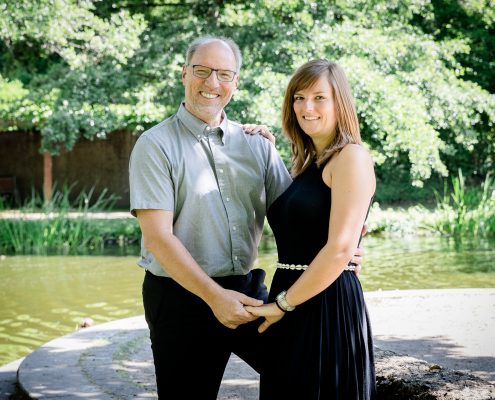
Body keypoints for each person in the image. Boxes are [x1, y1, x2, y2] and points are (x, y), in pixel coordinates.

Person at [129, 35, 364, 399]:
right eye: (202, 71)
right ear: (184, 74)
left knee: (295, 379)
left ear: (235, 82)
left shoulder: (257, 145)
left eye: (224, 74)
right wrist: (213, 296)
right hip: (180, 298)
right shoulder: (155, 144)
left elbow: (303, 212)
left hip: (247, 295)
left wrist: (347, 253)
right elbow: (158, 238)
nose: (212, 83)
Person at [246, 59, 377, 399]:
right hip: (292, 298)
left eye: (319, 97)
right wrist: (265, 148)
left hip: (325, 305)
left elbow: (339, 249)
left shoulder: (352, 157)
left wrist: (282, 305)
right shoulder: (306, 164)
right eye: (298, 97)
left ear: (340, 103)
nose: (307, 107)